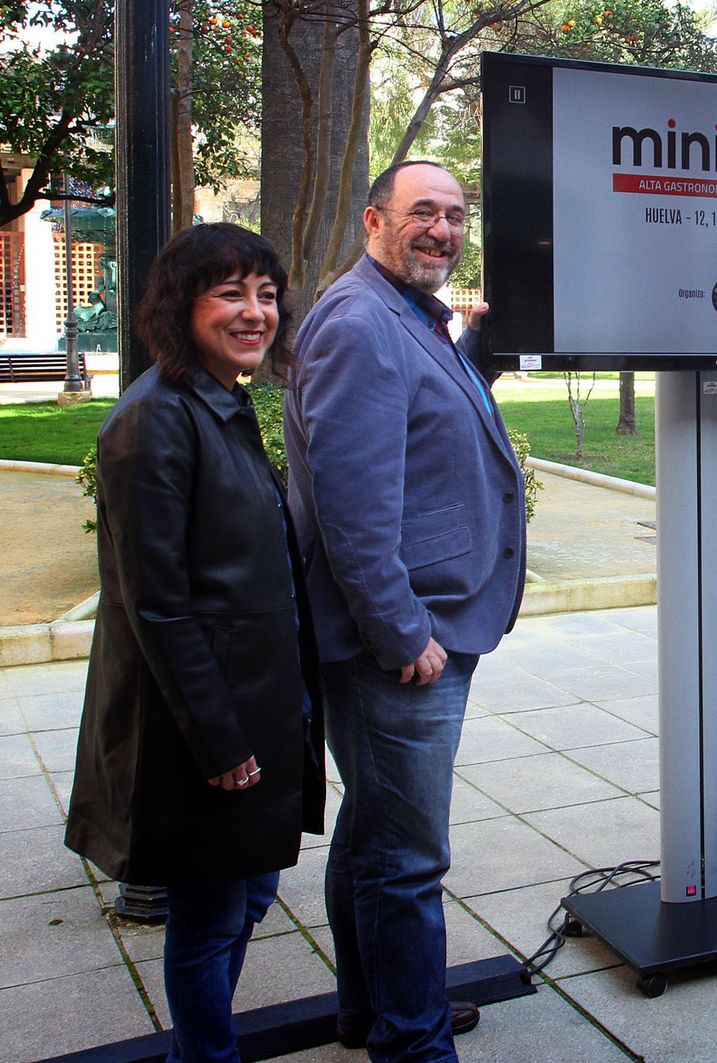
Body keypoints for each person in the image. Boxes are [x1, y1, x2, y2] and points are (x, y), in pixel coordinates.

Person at [283, 159, 526, 1058]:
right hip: (403, 641)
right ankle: (414, 1041)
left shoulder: (407, 316)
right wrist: (403, 634)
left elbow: (414, 422)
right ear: (373, 219)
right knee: (407, 857)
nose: (444, 229)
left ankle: (372, 1006)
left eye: (457, 215)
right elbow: (352, 507)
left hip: (418, 626)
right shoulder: (359, 323)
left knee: (373, 831)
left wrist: (475, 360)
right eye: (424, 211)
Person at [65, 223, 325, 1061]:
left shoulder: (220, 400)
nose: (256, 312)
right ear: (182, 306)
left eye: (265, 293)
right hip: (202, 727)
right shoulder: (154, 422)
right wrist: (218, 738)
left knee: (250, 890)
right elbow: (158, 603)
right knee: (213, 918)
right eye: (230, 293)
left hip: (251, 707)